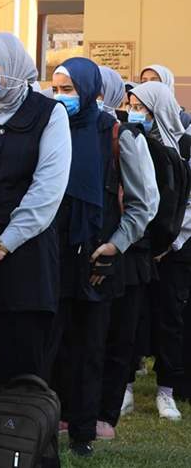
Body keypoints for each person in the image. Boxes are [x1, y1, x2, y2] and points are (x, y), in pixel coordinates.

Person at [0, 33, 72, 399]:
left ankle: (19, 436)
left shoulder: (48, 113)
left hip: (25, 260)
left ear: (14, 66)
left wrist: (2, 246)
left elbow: (47, 190)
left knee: (21, 370)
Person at [45, 58, 143, 457]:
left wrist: (116, 244)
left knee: (89, 348)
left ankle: (83, 431)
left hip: (96, 257)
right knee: (50, 347)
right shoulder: (49, 127)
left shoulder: (116, 133)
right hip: (53, 254)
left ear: (90, 90)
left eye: (68, 90)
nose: (60, 97)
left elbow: (143, 202)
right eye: (56, 89)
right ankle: (46, 424)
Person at [96, 66, 159, 439]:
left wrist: (127, 240)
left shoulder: (126, 135)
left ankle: (108, 411)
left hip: (129, 253)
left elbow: (150, 202)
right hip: (96, 249)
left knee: (119, 336)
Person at [127, 80, 191, 421]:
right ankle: (124, 386)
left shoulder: (183, 148)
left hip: (175, 250)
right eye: (131, 107)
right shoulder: (130, 141)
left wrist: (170, 243)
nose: (135, 114)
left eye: (141, 108)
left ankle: (166, 391)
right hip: (138, 247)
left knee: (169, 319)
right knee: (133, 317)